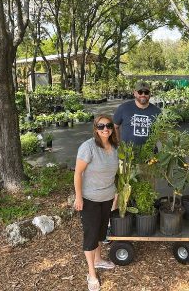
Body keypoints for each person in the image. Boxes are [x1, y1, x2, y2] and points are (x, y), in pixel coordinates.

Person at [74, 114, 120, 291]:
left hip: (107, 197)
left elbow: (115, 174)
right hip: (90, 199)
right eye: (101, 126)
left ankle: (99, 260)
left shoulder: (114, 147)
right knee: (91, 236)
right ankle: (91, 274)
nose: (105, 129)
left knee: (101, 231)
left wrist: (116, 194)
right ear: (95, 128)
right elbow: (78, 174)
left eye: (108, 125)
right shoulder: (88, 147)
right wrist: (78, 197)